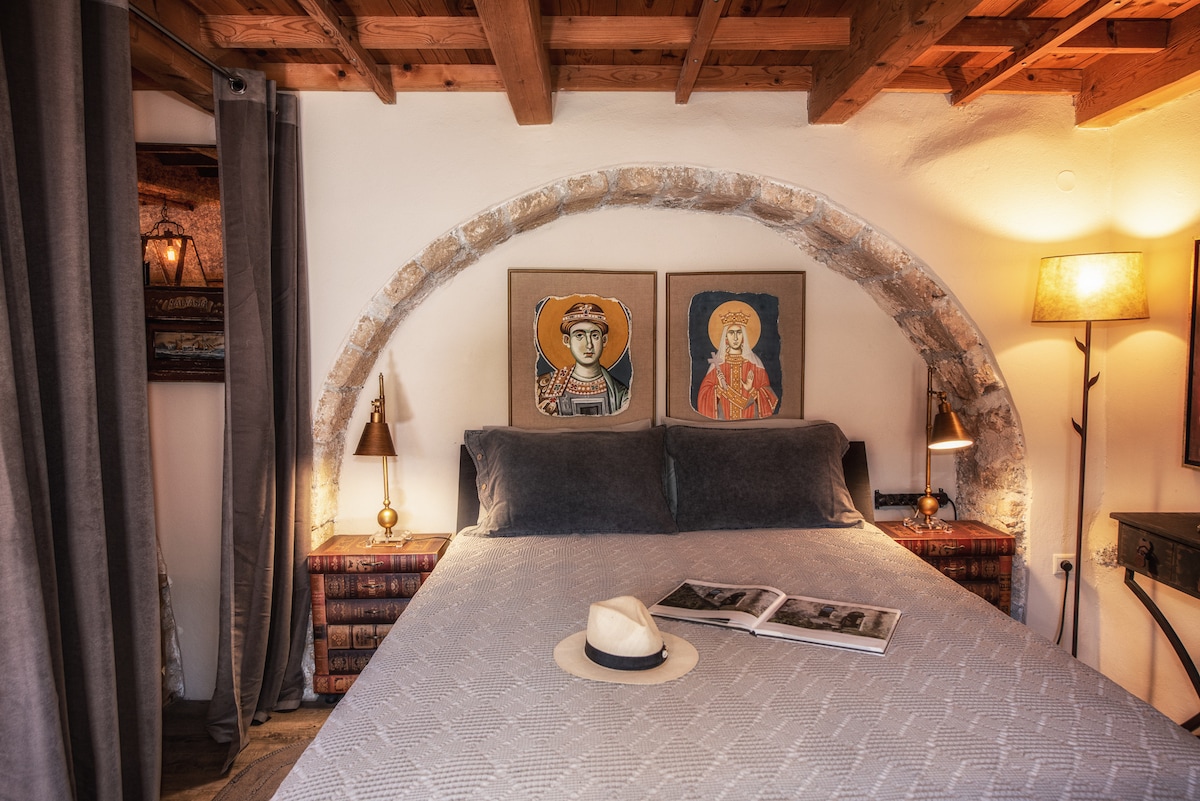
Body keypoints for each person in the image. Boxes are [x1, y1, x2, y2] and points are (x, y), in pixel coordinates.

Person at [536, 302, 630, 416]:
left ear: (604, 340)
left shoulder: (621, 396)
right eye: (579, 335)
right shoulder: (544, 388)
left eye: (595, 335)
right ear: (567, 340)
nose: (589, 345)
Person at [696, 308, 778, 420]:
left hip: (750, 423)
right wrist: (719, 389)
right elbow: (703, 398)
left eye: (739, 332)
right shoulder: (718, 364)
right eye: (731, 333)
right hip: (723, 424)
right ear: (725, 337)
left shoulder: (755, 363)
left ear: (743, 336)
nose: (735, 338)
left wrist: (751, 390)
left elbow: (769, 398)